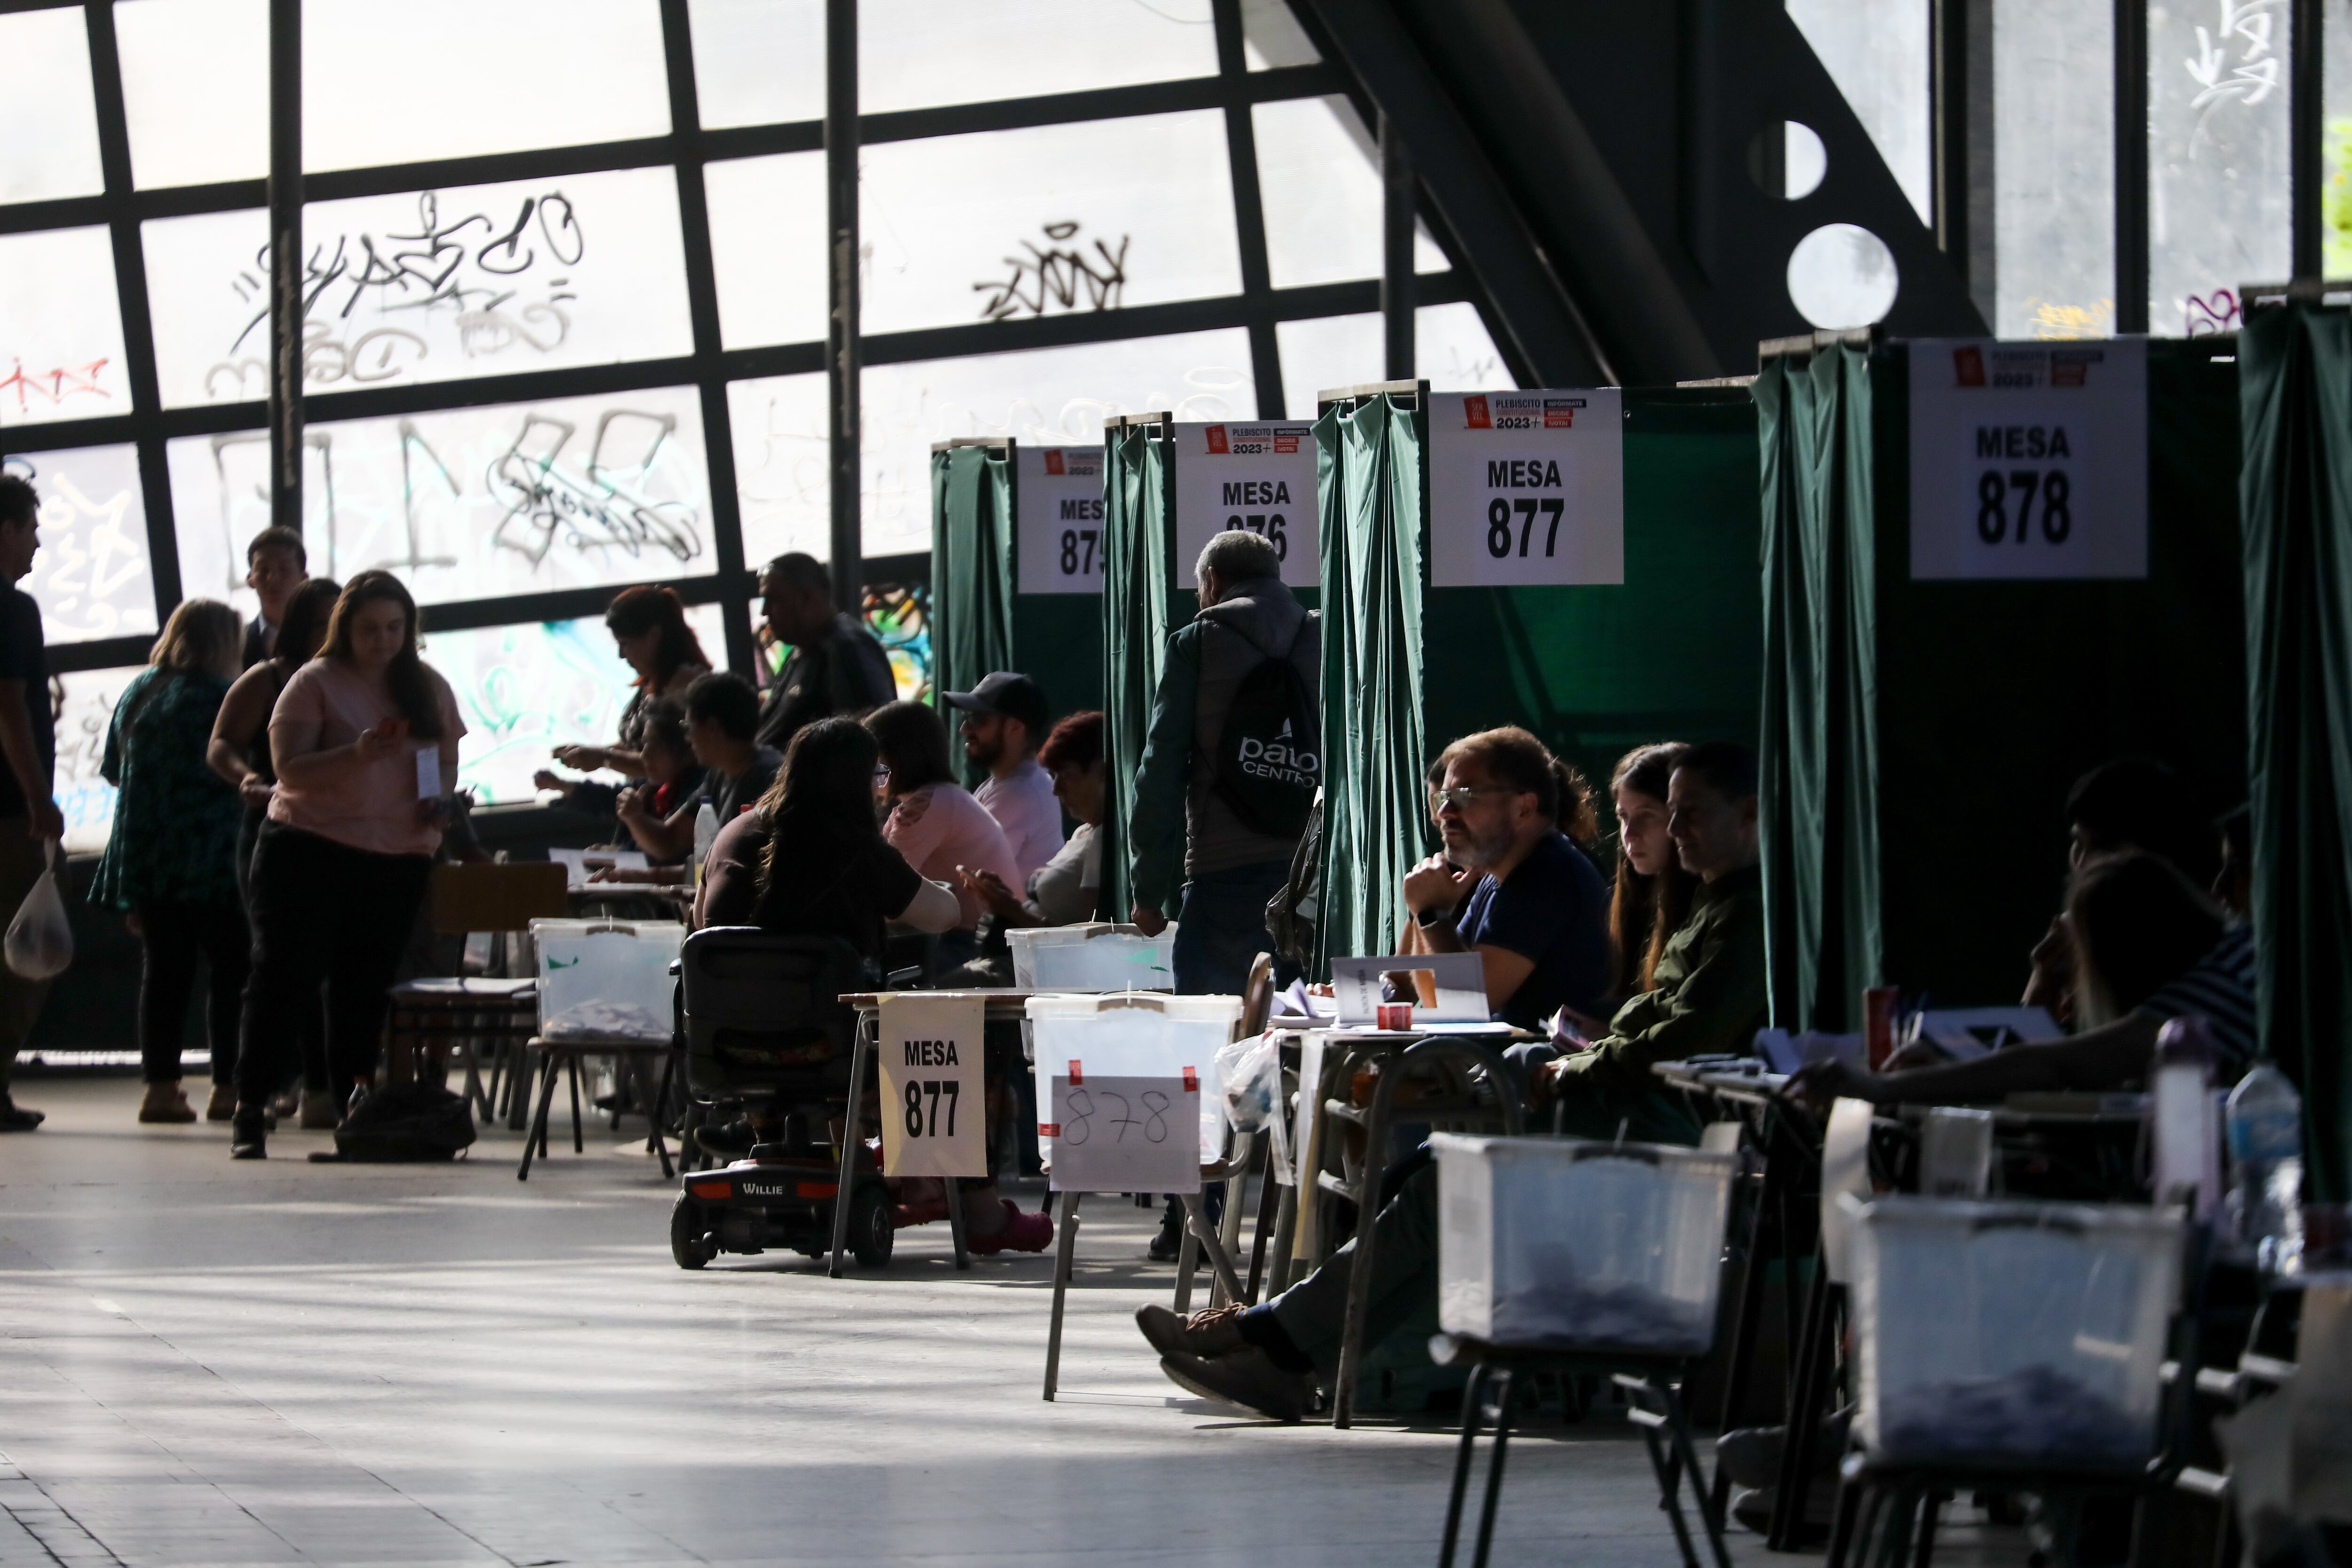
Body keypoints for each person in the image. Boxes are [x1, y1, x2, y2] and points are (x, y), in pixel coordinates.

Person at [691, 718, 1053, 1255]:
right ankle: (977, 1209)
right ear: (856, 781)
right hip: (833, 1052)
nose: (881, 788)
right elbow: (943, 914)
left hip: (729, 1048)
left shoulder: (732, 836)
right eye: (876, 776)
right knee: (956, 1033)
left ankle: (803, 1141)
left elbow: (702, 926)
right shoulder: (856, 848)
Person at [231, 571, 466, 1159]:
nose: (382, 640)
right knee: (284, 977)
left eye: (394, 628)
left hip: (396, 856)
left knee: (364, 988)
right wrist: (356, 754)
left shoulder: (428, 687)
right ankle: (251, 1105)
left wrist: (438, 803)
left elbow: (443, 759)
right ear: (346, 630)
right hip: (309, 845)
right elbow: (289, 770)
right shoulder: (314, 682)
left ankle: (353, 1106)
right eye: (369, 629)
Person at [1800, 850, 2255, 1106]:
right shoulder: (2235, 957)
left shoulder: (2218, 987)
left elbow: (2059, 1065)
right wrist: (1945, 1075)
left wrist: (1879, 1088)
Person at [1523, 740, 1766, 1145]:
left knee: (1541, 1101)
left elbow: (1689, 1036)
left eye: (1691, 813)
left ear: (1749, 812)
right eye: (1672, 813)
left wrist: (1578, 1067)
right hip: (1665, 1090)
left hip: (1699, 1112)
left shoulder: (1746, 912)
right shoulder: (1713, 902)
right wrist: (1587, 1058)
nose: (1675, 829)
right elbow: (1660, 1009)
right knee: (1525, 1070)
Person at [1128, 530, 1319, 994]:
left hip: (1223, 877)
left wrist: (1147, 891)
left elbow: (1160, 770)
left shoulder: (1197, 642)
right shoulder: (1327, 636)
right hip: (1310, 877)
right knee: (1301, 1024)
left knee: (1211, 1025)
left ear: (1212, 581)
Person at [90, 600, 251, 1125]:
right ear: (224, 642)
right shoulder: (224, 697)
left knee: (164, 975)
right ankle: (227, 1088)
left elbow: (114, 770)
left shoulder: (141, 692)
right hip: (216, 857)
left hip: (149, 857)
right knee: (231, 973)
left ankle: (160, 1089)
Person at [207, 575, 340, 1126]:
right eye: (323, 625)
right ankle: (283, 1086)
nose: (332, 636)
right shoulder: (269, 678)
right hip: (274, 828)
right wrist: (245, 777)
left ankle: (320, 1086)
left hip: (346, 833)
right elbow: (221, 744)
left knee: (333, 966)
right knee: (281, 962)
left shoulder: (364, 680)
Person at [1399, 727, 1611, 1031]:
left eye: (1464, 796)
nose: (1444, 813)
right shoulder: (1497, 876)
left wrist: (1432, 914)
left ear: (1524, 808)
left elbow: (1466, 1006)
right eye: (1442, 798)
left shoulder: (1547, 874)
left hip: (1551, 1060)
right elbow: (1435, 998)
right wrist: (1427, 914)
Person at [2026, 757, 2219, 1020]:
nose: (2082, 864)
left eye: (2103, 849)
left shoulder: (2195, 964)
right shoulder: (2070, 960)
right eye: (2078, 843)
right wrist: (2040, 994)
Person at [866, 699, 1020, 969]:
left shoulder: (927, 806)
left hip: (972, 944)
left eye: (872, 758)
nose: (869, 769)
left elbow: (885, 892)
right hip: (978, 938)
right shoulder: (938, 798)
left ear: (897, 757)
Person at [0, 475, 60, 1132]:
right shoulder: (13, 609)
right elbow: (8, 705)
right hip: (7, 813)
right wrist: (38, 798)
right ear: (7, 529)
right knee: (25, 955)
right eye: (32, 530)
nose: (36, 545)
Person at [535, 585, 712, 808]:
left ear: (654, 636)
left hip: (674, 808)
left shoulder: (686, 685)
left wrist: (604, 758)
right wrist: (589, 754)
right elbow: (639, 746)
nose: (620, 655)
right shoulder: (653, 680)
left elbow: (665, 761)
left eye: (625, 644)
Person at [609, 673, 779, 869]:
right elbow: (670, 840)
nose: (688, 738)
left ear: (713, 729)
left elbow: (739, 871)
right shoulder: (719, 774)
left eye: (689, 727)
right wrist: (635, 818)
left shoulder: (765, 779)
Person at [957, 709, 1106, 928]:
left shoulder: (1101, 839)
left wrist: (1013, 911)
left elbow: (1092, 937)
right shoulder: (1084, 832)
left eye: (1068, 776)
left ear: (1102, 773)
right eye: (1056, 776)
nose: (1057, 789)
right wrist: (1003, 898)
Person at [751, 553, 897, 753]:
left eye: (773, 600)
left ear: (807, 598)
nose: (764, 611)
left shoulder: (845, 650)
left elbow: (868, 742)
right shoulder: (805, 646)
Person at [946, 671, 1065, 883]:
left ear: (1015, 728)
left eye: (978, 720)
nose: (964, 729)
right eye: (966, 717)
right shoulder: (1010, 781)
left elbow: (962, 873)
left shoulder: (1019, 792)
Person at [1605, 742, 1695, 1008]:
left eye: (1646, 816)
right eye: (1623, 817)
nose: (1629, 834)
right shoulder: (1639, 893)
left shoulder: (1707, 905)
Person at [240, 525, 309, 667]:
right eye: (263, 570)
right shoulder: (237, 643)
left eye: (284, 570)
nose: (273, 579)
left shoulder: (322, 639)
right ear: (250, 579)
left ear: (304, 579)